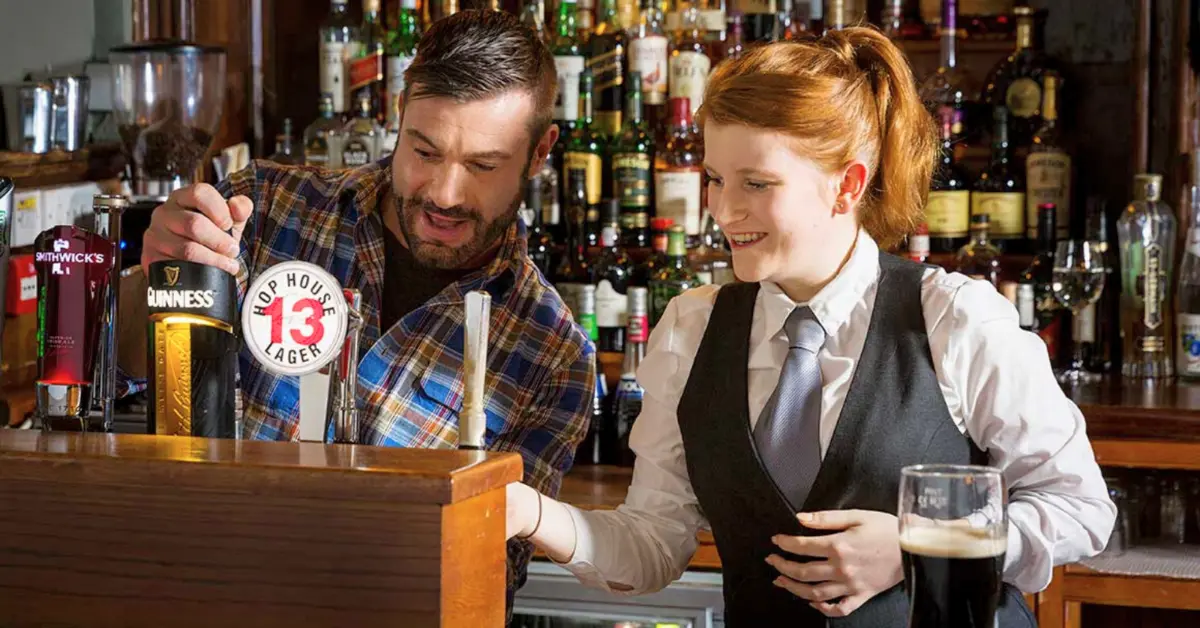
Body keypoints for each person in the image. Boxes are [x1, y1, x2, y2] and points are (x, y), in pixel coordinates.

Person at [505, 28, 1116, 626]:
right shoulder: (691, 329)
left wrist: (916, 543)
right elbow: (651, 545)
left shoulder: (953, 317)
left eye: (757, 183)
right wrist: (528, 512)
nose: (722, 209)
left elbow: (1081, 510)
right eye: (716, 179)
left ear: (846, 186)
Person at [115, 10, 594, 618]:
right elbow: (126, 360)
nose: (444, 193)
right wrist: (161, 274)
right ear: (400, 111)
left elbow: (484, 579)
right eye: (425, 150)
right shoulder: (266, 208)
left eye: (482, 166)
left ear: (540, 153)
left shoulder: (552, 357)